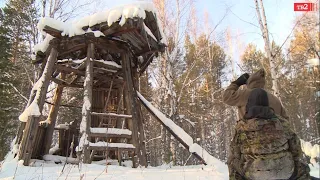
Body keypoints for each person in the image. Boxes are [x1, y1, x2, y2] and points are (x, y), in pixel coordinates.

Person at [227, 88, 311, 180]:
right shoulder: (281, 122)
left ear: (249, 104)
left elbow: (234, 155)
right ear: (267, 103)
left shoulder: (241, 126)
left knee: (233, 162)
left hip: (254, 174)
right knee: (300, 164)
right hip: (286, 171)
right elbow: (296, 149)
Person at [223, 68, 288, 120]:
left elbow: (226, 97)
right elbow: (286, 120)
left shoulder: (245, 94)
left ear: (249, 82)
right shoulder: (275, 99)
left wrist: (236, 83)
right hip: (275, 135)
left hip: (250, 135)